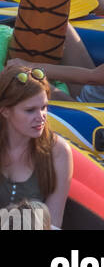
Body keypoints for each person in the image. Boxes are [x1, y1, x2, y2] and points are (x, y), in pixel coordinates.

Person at [0, 64, 72, 227]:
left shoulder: (58, 151)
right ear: (5, 111)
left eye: (44, 107)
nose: (41, 117)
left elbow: (53, 223)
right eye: (30, 110)